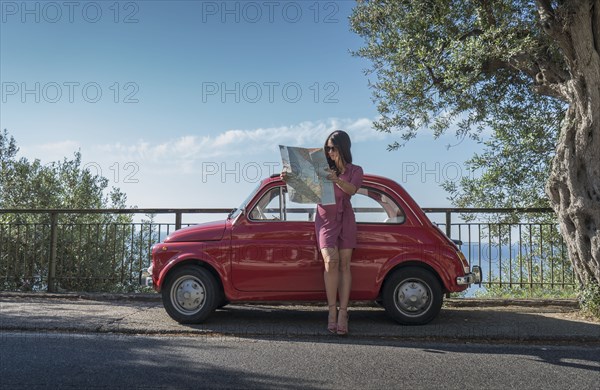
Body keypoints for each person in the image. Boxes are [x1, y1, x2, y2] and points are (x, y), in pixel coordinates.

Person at [282, 130, 363, 335]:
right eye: (327, 148)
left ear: (343, 148)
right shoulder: (321, 169)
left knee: (345, 264)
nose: (329, 152)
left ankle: (343, 312)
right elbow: (305, 188)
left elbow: (352, 190)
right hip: (325, 218)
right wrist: (289, 179)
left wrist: (336, 180)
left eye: (332, 148)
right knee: (331, 261)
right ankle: (331, 312)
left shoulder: (355, 170)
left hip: (346, 218)